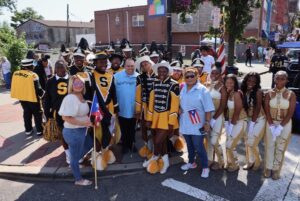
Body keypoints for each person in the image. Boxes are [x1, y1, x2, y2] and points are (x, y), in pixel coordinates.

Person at [143, 61, 180, 174]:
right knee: (160, 141)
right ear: (157, 72)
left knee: (158, 141)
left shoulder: (174, 84)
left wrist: (171, 122)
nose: (162, 73)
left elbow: (175, 105)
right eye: (160, 71)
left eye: (164, 71)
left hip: (167, 117)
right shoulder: (154, 83)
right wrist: (149, 119)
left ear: (168, 72)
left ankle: (154, 156)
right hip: (155, 116)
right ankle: (166, 162)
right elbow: (151, 102)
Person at [179, 67, 214, 178]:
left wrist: (207, 122)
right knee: (189, 145)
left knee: (198, 146)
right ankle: (191, 162)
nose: (189, 78)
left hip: (198, 123)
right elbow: (181, 102)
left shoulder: (203, 90)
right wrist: (179, 108)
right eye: (187, 76)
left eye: (192, 76)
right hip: (185, 122)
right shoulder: (183, 88)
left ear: (197, 76)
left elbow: (208, 108)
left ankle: (205, 167)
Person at [58, 75, 93, 186]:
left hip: (81, 130)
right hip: (73, 132)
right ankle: (78, 179)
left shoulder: (81, 96)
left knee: (89, 144)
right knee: (74, 156)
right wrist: (84, 123)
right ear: (71, 85)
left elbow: (81, 113)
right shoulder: (71, 98)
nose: (79, 85)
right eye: (76, 83)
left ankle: (74, 162)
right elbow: (66, 117)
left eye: (81, 83)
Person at [263, 71, 296, 180]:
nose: (280, 80)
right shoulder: (268, 93)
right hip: (271, 122)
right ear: (274, 79)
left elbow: (291, 112)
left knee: (280, 146)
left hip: (285, 123)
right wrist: (271, 125)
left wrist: (281, 126)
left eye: (282, 78)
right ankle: (268, 167)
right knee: (270, 145)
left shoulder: (291, 94)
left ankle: (276, 169)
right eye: (277, 78)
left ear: (286, 80)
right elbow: (266, 110)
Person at [91, 51, 120, 151]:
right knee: (98, 131)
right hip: (97, 108)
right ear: (95, 63)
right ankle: (99, 152)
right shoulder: (91, 75)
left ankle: (106, 149)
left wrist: (116, 107)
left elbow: (113, 92)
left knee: (109, 128)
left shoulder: (110, 75)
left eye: (105, 62)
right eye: (100, 62)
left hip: (109, 106)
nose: (103, 65)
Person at [44, 60, 70, 164]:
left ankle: (75, 152)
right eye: (57, 67)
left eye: (62, 67)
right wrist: (47, 113)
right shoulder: (50, 81)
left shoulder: (73, 78)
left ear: (66, 68)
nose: (59, 69)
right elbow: (47, 99)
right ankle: (68, 154)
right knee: (63, 134)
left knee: (73, 133)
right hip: (58, 113)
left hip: (72, 112)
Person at [11, 59, 44, 136]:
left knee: (26, 113)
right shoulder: (33, 75)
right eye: (32, 66)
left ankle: (28, 130)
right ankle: (39, 130)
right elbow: (38, 89)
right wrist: (44, 95)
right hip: (33, 98)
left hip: (22, 98)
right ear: (29, 66)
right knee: (37, 114)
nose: (33, 67)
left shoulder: (16, 73)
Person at [241, 72, 265, 171]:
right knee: (247, 142)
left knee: (252, 142)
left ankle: (257, 160)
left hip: (259, 119)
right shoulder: (243, 90)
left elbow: (258, 107)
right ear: (246, 80)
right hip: (249, 119)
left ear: (257, 83)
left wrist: (252, 123)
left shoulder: (258, 92)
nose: (251, 83)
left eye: (254, 82)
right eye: (249, 80)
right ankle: (251, 161)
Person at [114, 58, 139, 153]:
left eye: (132, 66)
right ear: (124, 66)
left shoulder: (138, 77)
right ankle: (125, 144)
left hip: (134, 108)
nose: (130, 68)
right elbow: (113, 93)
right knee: (123, 128)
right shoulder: (117, 76)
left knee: (132, 128)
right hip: (122, 108)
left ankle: (132, 143)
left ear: (135, 67)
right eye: (128, 66)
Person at [224, 74, 247, 172]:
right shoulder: (228, 92)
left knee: (229, 145)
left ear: (235, 83)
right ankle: (231, 162)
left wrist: (231, 125)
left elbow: (238, 110)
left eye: (231, 83)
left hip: (240, 121)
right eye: (227, 82)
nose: (229, 84)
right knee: (229, 144)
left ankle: (235, 165)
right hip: (230, 121)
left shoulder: (237, 93)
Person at [206, 66, 227, 170]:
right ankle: (210, 159)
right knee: (208, 139)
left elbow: (223, 105)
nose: (213, 75)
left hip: (217, 116)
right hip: (207, 116)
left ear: (220, 75)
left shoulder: (222, 87)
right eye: (212, 73)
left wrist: (214, 118)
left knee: (214, 140)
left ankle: (221, 161)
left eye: (216, 73)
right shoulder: (207, 85)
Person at [135, 56, 156, 157]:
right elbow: (138, 95)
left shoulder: (158, 75)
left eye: (146, 64)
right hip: (145, 108)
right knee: (144, 129)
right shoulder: (139, 78)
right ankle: (147, 147)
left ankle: (156, 149)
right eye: (142, 65)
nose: (144, 66)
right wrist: (138, 110)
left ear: (150, 64)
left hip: (157, 108)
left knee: (155, 129)